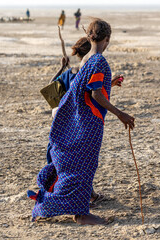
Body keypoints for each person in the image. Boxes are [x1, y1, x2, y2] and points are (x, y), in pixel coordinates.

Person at [28, 19, 134, 225]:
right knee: (84, 168)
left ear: (90, 36)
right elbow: (95, 95)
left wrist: (108, 83)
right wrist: (120, 113)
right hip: (88, 124)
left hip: (78, 122)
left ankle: (50, 206)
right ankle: (81, 214)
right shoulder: (99, 62)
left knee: (75, 168)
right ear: (107, 39)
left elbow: (82, 88)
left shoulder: (86, 59)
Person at [46, 36, 123, 208]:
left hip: (62, 125)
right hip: (75, 125)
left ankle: (89, 195)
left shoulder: (70, 74)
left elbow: (51, 89)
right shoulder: (83, 73)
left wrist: (61, 67)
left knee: (71, 162)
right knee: (79, 162)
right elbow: (90, 94)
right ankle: (75, 197)